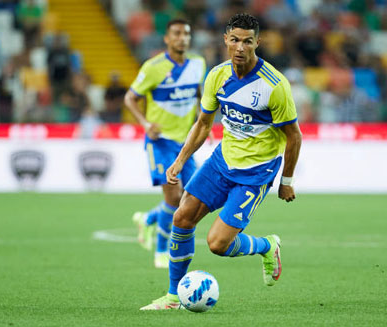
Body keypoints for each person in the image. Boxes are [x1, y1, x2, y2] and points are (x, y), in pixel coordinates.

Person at [140, 13, 302, 310]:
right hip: (222, 162)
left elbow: (294, 136)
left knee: (217, 245)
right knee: (181, 218)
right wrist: (180, 160)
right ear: (226, 40)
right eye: (235, 40)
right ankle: (174, 297)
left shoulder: (274, 85)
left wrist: (286, 182)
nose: (241, 47)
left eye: (248, 41)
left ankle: (267, 246)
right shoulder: (217, 75)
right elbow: (203, 124)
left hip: (255, 173)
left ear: (257, 42)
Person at [124, 19, 206, 269]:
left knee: (191, 197)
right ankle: (161, 251)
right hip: (159, 141)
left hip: (185, 143)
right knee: (172, 196)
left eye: (186, 33)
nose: (183, 38)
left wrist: (205, 124)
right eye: (177, 34)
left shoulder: (198, 64)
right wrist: (145, 123)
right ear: (167, 39)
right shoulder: (153, 67)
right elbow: (130, 98)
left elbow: (200, 95)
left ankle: (149, 218)